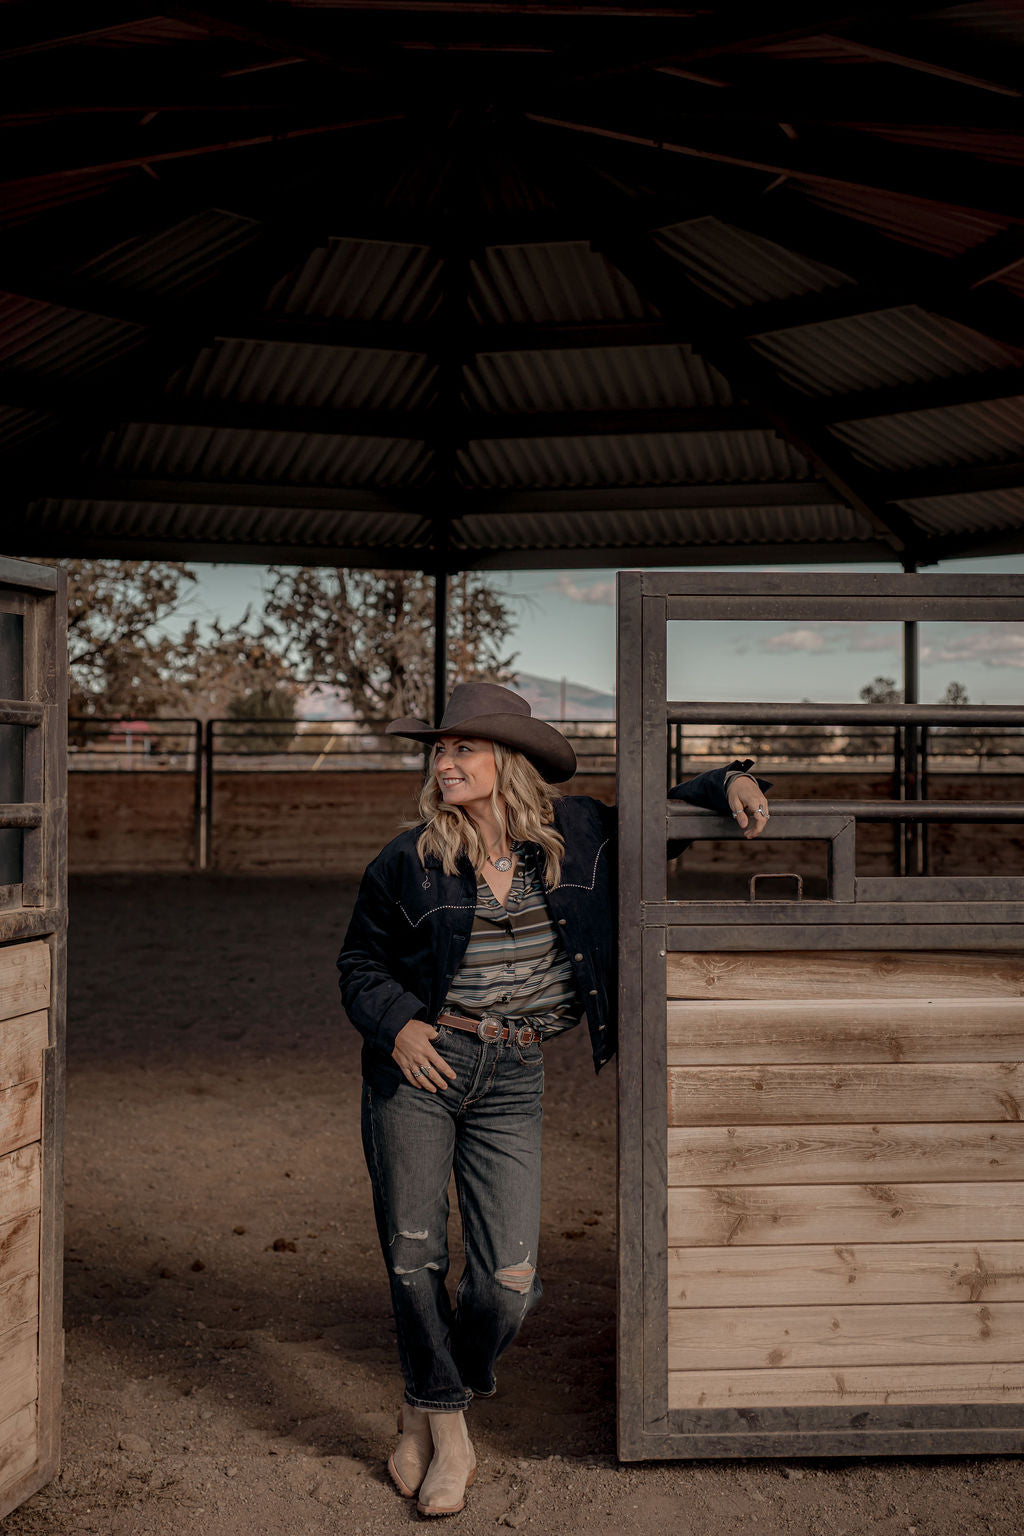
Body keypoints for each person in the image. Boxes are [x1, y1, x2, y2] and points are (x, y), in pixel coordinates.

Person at [337, 682, 770, 1516]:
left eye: (465, 747)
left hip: (514, 1074)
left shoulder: (584, 837)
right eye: (440, 749)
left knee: (508, 1282)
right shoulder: (409, 858)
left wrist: (730, 781)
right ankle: (452, 1438)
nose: (446, 761)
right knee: (415, 1254)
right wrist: (397, 1027)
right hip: (421, 1068)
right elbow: (360, 963)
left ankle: (425, 1401)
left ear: (513, 761)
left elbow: (670, 811)